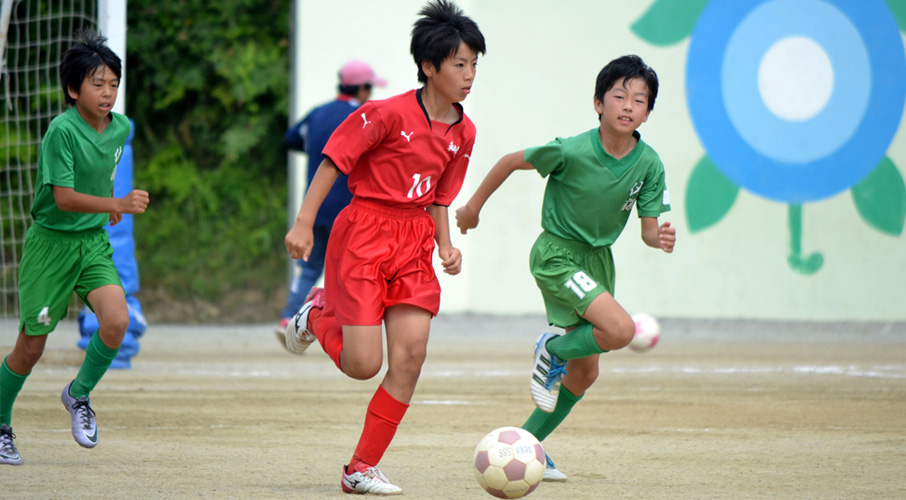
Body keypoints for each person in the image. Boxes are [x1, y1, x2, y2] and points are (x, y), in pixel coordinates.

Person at [283, 0, 485, 494]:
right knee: (363, 366)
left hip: (414, 241)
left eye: (475, 64)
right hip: (365, 235)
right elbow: (332, 160)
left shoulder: (465, 132)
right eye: (459, 64)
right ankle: (315, 315)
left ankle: (359, 469)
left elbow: (439, 197)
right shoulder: (384, 113)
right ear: (429, 66)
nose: (469, 74)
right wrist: (304, 223)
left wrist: (446, 246)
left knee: (410, 359)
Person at [455, 55, 676, 482]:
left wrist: (659, 238)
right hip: (557, 254)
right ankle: (552, 348)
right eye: (619, 96)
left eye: (640, 100)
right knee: (621, 330)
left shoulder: (649, 164)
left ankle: (526, 446)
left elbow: (648, 230)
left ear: (648, 112)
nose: (628, 106)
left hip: (597, 262)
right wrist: (472, 208)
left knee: (586, 371)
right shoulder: (570, 149)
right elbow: (507, 161)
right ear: (598, 103)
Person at [0, 31, 148, 466]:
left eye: (113, 83)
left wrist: (106, 207)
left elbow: (100, 173)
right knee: (32, 345)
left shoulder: (120, 127)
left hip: (92, 244)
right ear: (73, 89)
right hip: (51, 247)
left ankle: (77, 395)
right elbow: (63, 197)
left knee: (117, 321)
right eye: (97, 84)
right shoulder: (61, 131)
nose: (107, 92)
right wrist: (115, 203)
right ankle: (1, 423)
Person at [275, 60, 387, 341]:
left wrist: (317, 149)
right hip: (349, 208)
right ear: (361, 88)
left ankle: (289, 316)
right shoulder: (363, 116)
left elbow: (290, 140)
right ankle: (338, 323)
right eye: (369, 88)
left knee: (311, 265)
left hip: (314, 207)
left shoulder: (318, 114)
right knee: (352, 269)